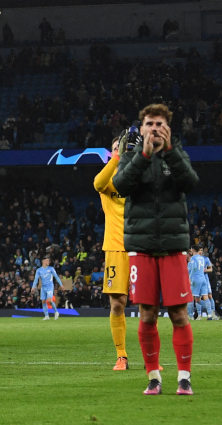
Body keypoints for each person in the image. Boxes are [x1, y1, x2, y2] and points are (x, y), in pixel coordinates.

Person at [113, 103, 199, 396]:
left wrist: (170, 151)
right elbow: (120, 185)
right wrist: (145, 154)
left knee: (179, 315)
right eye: (149, 123)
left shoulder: (178, 153)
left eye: (159, 123)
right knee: (147, 314)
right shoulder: (132, 156)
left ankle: (184, 378)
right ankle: (153, 378)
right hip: (142, 246)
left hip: (173, 245)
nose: (154, 128)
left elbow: (190, 182)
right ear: (142, 128)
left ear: (168, 128)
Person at [93, 137, 131, 370]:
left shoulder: (140, 174)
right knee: (118, 303)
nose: (121, 150)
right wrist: (117, 156)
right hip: (116, 246)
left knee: (149, 304)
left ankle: (151, 355)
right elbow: (98, 183)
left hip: (142, 246)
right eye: (117, 147)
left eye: (125, 146)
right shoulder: (108, 179)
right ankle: (122, 355)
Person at [187, 247, 215, 321]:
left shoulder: (193, 258)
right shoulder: (202, 258)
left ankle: (190, 316)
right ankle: (210, 314)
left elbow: (194, 268)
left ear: (193, 250)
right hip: (203, 279)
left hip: (196, 279)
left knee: (191, 297)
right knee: (205, 297)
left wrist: (190, 278)